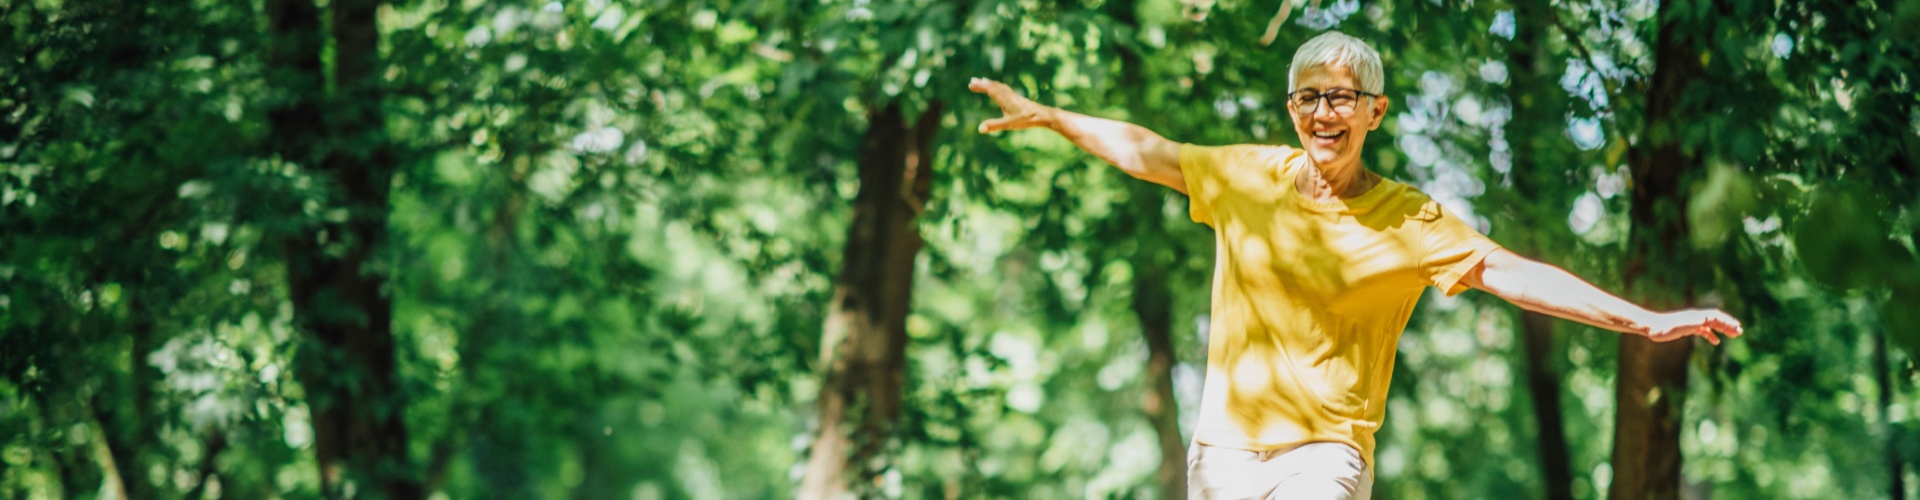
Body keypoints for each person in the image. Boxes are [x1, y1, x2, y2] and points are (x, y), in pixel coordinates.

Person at [968, 31, 1744, 499]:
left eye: (1340, 96)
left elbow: (1514, 274)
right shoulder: (1246, 177)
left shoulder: (1412, 220)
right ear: (1291, 112)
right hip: (1222, 454)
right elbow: (1148, 151)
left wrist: (1643, 317)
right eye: (1306, 98)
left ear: (1376, 110)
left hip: (1324, 455)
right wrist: (1049, 117)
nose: (1321, 113)